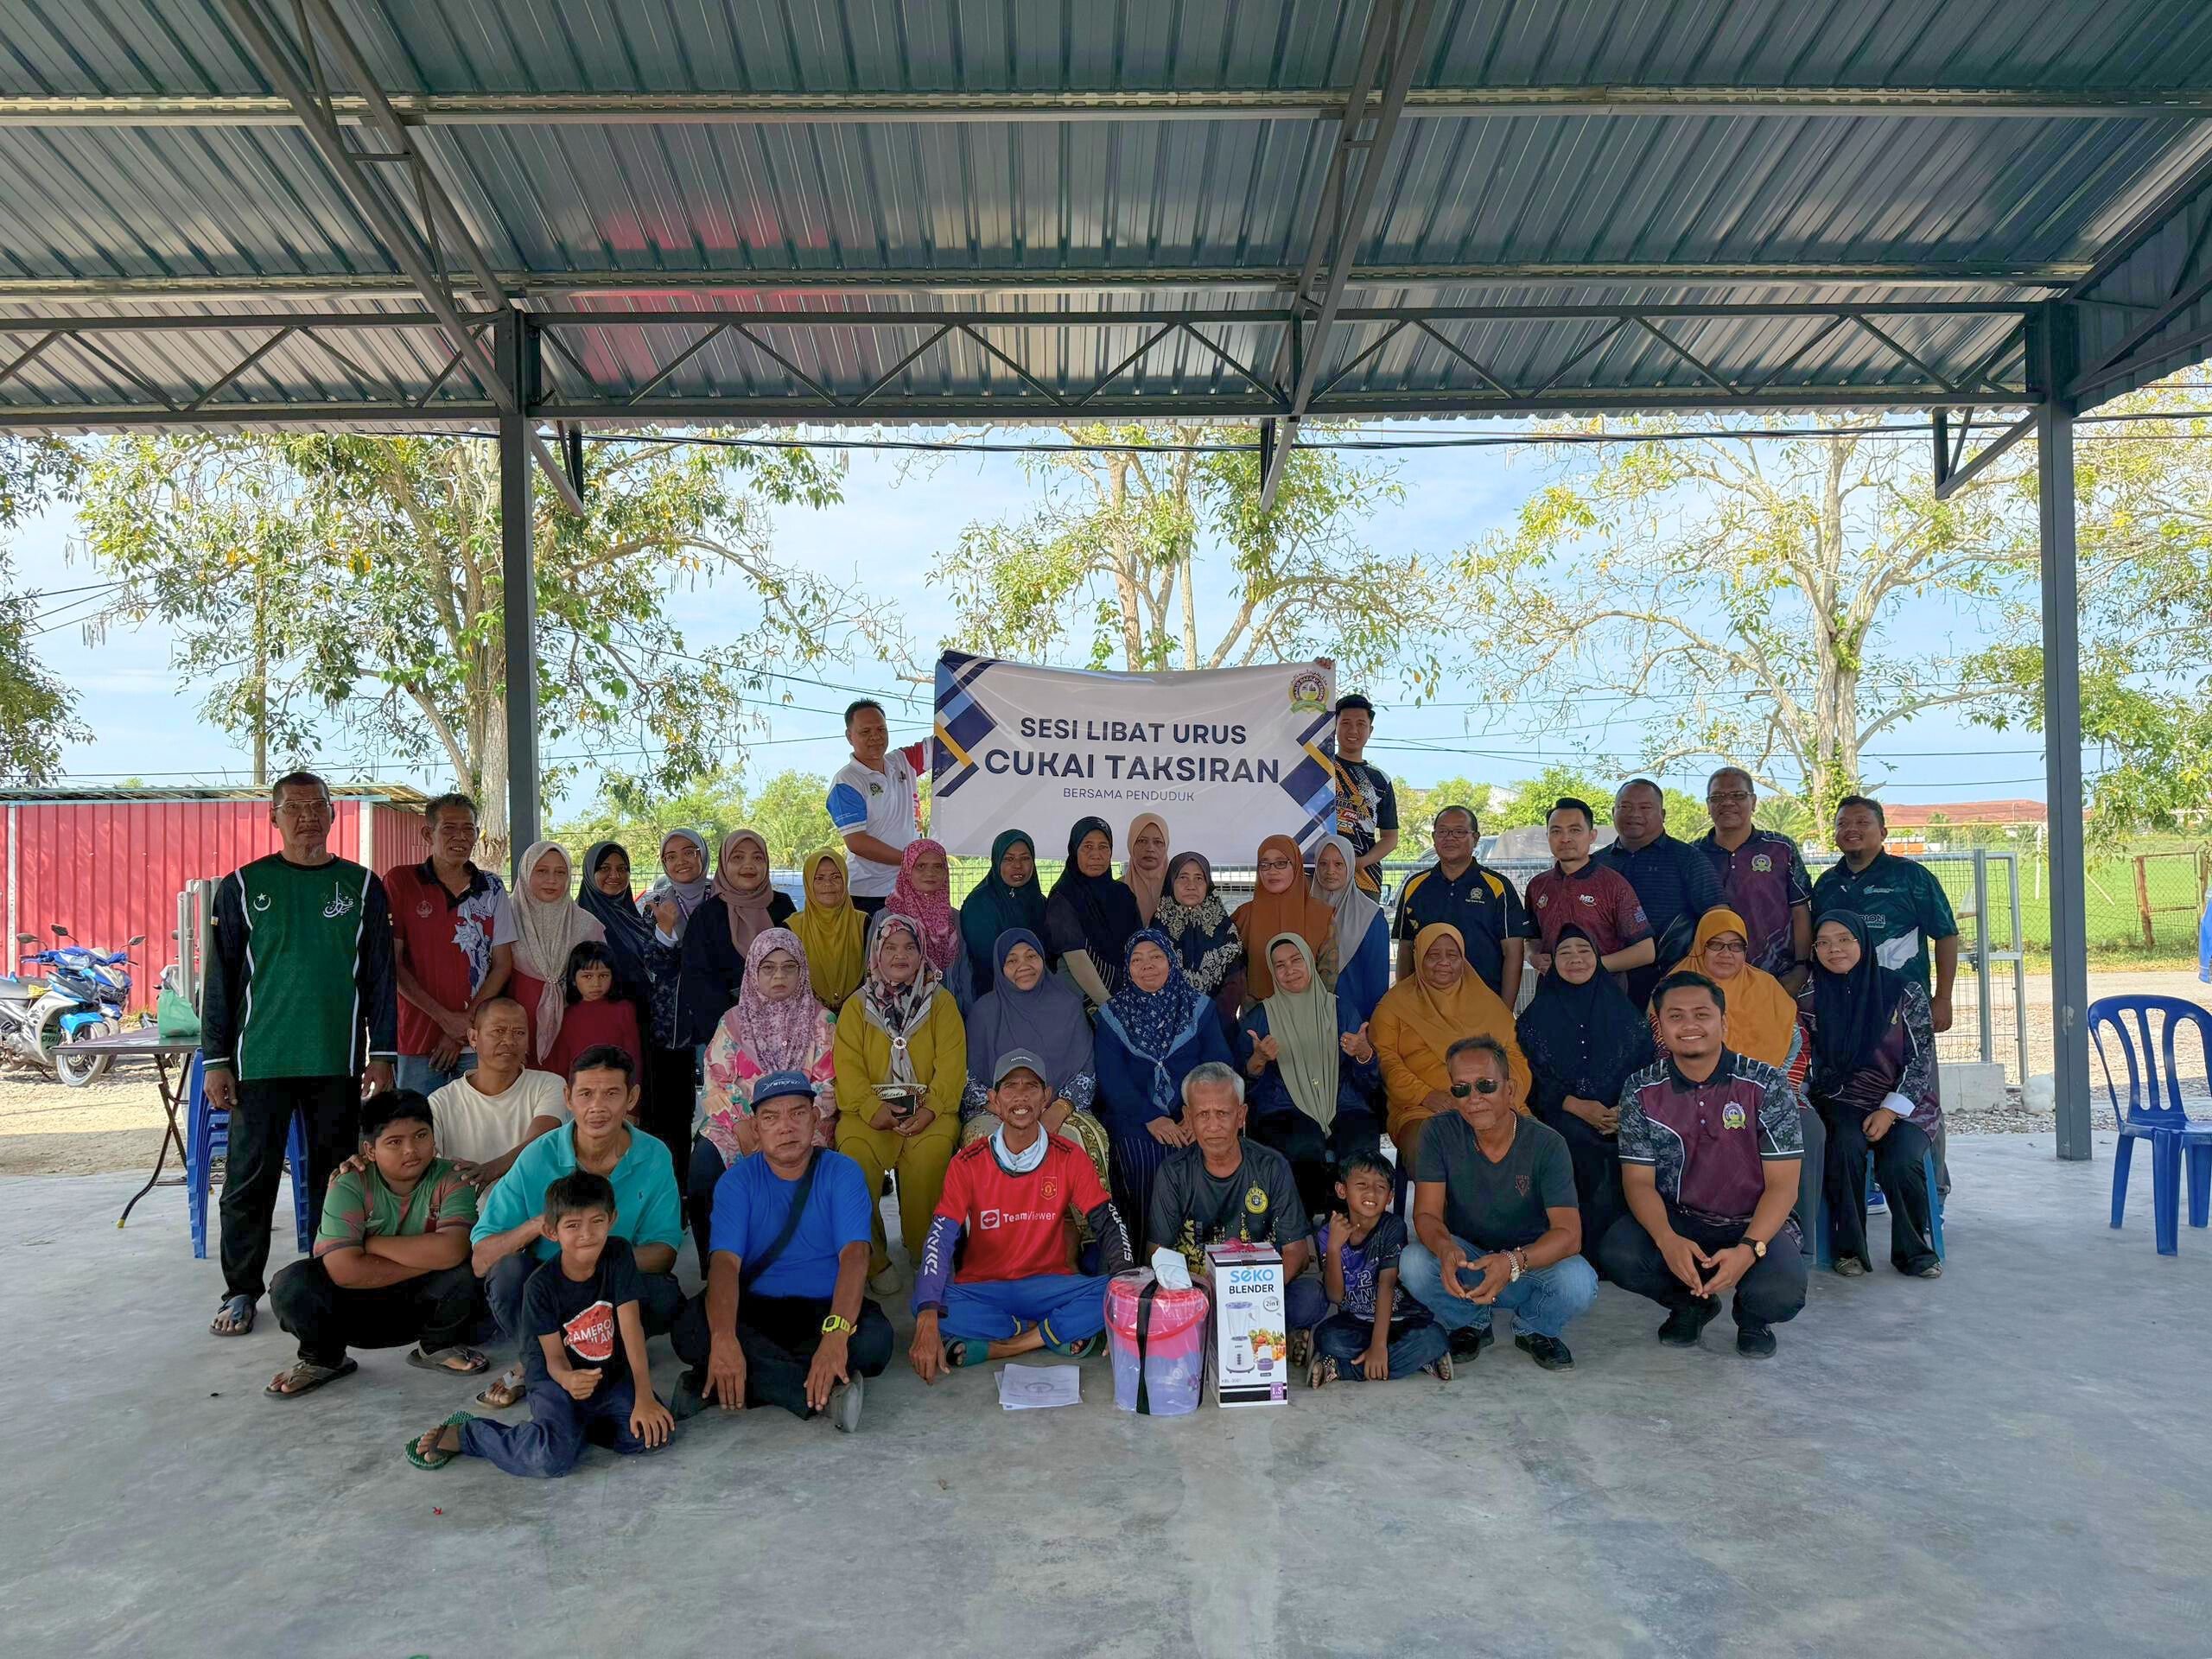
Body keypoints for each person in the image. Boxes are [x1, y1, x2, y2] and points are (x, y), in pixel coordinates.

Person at [203, 770, 397, 1338]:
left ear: (334, 814)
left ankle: (326, 1278)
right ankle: (241, 1289)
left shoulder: (362, 887)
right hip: (259, 1062)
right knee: (249, 1181)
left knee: (336, 1178)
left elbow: (381, 979)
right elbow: (220, 980)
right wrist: (216, 1059)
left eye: (318, 806)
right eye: (295, 807)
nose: (308, 817)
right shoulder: (243, 886)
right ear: (274, 816)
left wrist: (382, 1053)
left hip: (336, 1061)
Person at [1599, 973, 1808, 1358]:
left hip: (1750, 1221)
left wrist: (1748, 1249)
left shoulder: (1766, 1084)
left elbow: (1784, 1186)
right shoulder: (1641, 1089)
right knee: (1619, 1253)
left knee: (1780, 1292)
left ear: (1723, 1022)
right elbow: (1638, 1182)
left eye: (1702, 1014)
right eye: (1675, 1016)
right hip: (1682, 1218)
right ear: (1660, 1027)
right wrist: (1667, 1239)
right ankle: (1692, 1305)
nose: (1689, 1025)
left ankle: (1753, 1318)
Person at [410, 1173, 675, 1477]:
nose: (587, 1234)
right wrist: (568, 1380)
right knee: (549, 1459)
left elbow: (631, 1327)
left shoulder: (618, 1254)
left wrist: (644, 1395)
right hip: (554, 1379)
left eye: (597, 1221)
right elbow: (554, 1360)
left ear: (612, 1219)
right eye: (572, 1225)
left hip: (607, 1374)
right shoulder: (540, 1287)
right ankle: (468, 1434)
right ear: (551, 1231)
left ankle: (572, 1428)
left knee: (654, 1434)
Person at [468, 1045, 683, 1411]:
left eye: (611, 1093)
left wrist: (595, 1266)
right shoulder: (537, 1156)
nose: (597, 1107)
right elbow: (481, 1260)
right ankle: (537, 1361)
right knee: (507, 1274)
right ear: (568, 1098)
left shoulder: (653, 1154)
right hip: (550, 1289)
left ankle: (588, 1358)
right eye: (585, 1094)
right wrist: (539, 1225)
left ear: (632, 1098)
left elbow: (664, 1252)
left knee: (663, 1295)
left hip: (613, 1287)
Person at [673, 1076, 890, 1431]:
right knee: (690, 1329)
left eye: (797, 1114)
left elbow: (855, 1256)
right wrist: (724, 1338)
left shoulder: (843, 1172)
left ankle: (717, 1384)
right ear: (755, 1129)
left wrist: (836, 1334)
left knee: (875, 1342)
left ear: (815, 1118)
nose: (786, 1127)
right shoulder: (736, 1182)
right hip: (755, 1308)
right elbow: (724, 1265)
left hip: (824, 1308)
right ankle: (816, 1395)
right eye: (771, 1117)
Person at [910, 1050, 1134, 1378]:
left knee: (1117, 1291)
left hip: (1049, 1286)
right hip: (986, 1287)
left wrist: (1125, 1285)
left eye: (1031, 1086)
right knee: (922, 1302)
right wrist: (928, 1315)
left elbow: (1108, 1222)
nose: (1021, 1096)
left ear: (1046, 1097)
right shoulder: (967, 1162)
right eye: (1010, 1087)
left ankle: (1006, 1345)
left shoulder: (1069, 1156)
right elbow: (939, 1239)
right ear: (994, 1099)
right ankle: (1050, 1333)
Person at [1399, 1035, 1599, 1371]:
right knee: (1414, 1263)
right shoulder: (1437, 1133)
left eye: (1486, 1085)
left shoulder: (1547, 1144)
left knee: (1579, 1282)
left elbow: (1569, 1235)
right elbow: (1427, 1214)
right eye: (1461, 1089)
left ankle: (1534, 1327)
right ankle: (1470, 1321)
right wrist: (1445, 1248)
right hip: (1469, 1263)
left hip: (1528, 1266)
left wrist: (1513, 1262)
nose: (1474, 1098)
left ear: (1510, 1089)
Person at [267, 1090, 483, 1397]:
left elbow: (453, 1250)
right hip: (352, 1309)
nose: (411, 1150)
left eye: (421, 1136)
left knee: (470, 1267)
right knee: (291, 1284)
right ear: (370, 1150)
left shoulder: (452, 1177)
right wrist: (432, 1258)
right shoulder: (349, 1182)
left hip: (424, 1305)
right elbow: (343, 1270)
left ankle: (438, 1346)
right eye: (394, 1142)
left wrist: (372, 1243)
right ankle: (324, 1359)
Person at [1655, 907, 1825, 1255]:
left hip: (1770, 1093)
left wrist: (1773, 1094)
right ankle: (1715, 1238)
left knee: (1809, 1128)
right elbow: (1664, 1049)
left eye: (1736, 946)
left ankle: (1794, 1244)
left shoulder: (1767, 988)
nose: (1726, 954)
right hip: (1695, 1094)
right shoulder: (1677, 987)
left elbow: (1798, 1045)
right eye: (1716, 945)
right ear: (1700, 946)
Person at [1807, 913, 1945, 1278]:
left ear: (1863, 942)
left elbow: (1920, 1061)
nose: (1834, 949)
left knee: (1901, 1159)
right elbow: (1805, 1058)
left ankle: (1914, 1253)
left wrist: (1889, 1111)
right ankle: (1849, 1251)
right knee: (1843, 1146)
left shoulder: (1903, 991)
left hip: (1906, 1101)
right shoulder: (1810, 997)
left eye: (1844, 939)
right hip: (1843, 1099)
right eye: (1824, 942)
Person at [834, 912, 966, 1294]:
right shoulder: (857, 1005)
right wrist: (869, 1107)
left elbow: (952, 1064)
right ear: (876, 952)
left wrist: (931, 1108)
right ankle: (873, 1260)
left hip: (929, 1109)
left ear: (922, 952)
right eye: (890, 946)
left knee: (931, 1156)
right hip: (869, 1111)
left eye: (909, 947)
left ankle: (926, 1251)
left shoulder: (941, 1002)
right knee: (854, 1157)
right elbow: (847, 1065)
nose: (900, 955)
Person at [693, 927, 837, 1268]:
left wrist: (787, 1124)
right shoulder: (733, 1022)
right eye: (768, 968)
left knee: (811, 1174)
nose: (779, 977)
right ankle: (717, 1270)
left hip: (803, 1124)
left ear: (802, 971)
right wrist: (743, 1125)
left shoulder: (822, 1022)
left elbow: (828, 1088)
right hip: (739, 1123)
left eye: (789, 967)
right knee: (703, 1169)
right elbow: (715, 1083)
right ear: (753, 972)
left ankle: (799, 1265)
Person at [1147, 1062, 1319, 1331]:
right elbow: (1158, 1253)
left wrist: (1254, 1295)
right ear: (1188, 1117)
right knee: (1151, 1304)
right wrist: (1203, 1299)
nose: (1213, 1126)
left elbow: (1296, 1252)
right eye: (1203, 1114)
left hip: (1260, 1293)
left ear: (1241, 1116)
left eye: (1223, 1113)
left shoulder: (1271, 1167)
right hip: (1196, 1298)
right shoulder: (1174, 1173)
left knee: (1310, 1298)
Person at [1516, 925, 1653, 1255]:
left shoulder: (1625, 1013)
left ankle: (1624, 1249)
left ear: (1597, 958)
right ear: (1553, 962)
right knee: (1571, 1142)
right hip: (1563, 1114)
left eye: (1584, 951)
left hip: (1622, 1113)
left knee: (1636, 1143)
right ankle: (1573, 1245)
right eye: (1565, 952)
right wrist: (1575, 1105)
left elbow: (1646, 1071)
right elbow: (1531, 1080)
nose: (1575, 958)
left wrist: (1625, 1109)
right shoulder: (1535, 1019)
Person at [1094, 931, 1234, 1252]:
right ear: (1127, 968)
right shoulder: (1112, 1016)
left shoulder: (1199, 1008)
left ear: (1171, 962)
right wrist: (1152, 1118)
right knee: (1144, 1164)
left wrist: (1197, 1117)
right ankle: (1147, 1258)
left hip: (1195, 1115)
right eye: (1137, 960)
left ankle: (1203, 1257)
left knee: (1205, 1157)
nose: (1147, 966)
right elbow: (1112, 1079)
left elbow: (1218, 1066)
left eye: (1156, 957)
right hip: (1137, 1119)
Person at [1236, 932, 1382, 1220]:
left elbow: (1369, 1081)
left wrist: (1363, 1054)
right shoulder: (1260, 1018)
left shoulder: (1339, 1009)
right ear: (1272, 971)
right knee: (1303, 1144)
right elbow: (1243, 1086)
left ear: (1309, 962)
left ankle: (1351, 1226)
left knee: (1360, 1142)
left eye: (1296, 960)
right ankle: (1299, 1227)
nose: (1289, 970)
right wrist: (1258, 1062)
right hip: (1283, 1107)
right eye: (1280, 965)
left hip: (1343, 1103)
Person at [959, 927, 1110, 1195]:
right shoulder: (984, 1012)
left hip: (1059, 1109)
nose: (1024, 966)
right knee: (985, 1145)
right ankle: (1004, 1222)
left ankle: (1088, 1222)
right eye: (1012, 960)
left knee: (1084, 1140)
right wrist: (1007, 1111)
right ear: (1000, 967)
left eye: (1031, 956)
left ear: (1042, 958)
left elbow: (1085, 1071)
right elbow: (967, 1079)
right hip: (997, 1112)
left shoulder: (1068, 1005)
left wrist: (1059, 1109)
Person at [385, 791, 516, 1094]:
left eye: (468, 829)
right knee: (419, 1118)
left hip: (478, 1039)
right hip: (418, 1039)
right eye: (449, 828)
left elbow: (502, 965)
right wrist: (445, 1020)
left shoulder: (492, 887)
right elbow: (393, 964)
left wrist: (463, 1027)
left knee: (479, 1121)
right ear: (427, 833)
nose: (460, 837)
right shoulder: (401, 882)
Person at [1370, 922, 1530, 1163]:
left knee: (1535, 1148)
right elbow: (1385, 1060)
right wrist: (1425, 1095)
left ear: (1462, 959)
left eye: (1452, 955)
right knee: (1427, 1151)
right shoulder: (1393, 1006)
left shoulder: (1489, 1003)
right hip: (1425, 1108)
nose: (1444, 962)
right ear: (1419, 958)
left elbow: (1516, 1057)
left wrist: (1503, 1100)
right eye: (1433, 955)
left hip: (1496, 1105)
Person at [1810, 795, 1961, 1033]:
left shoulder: (1911, 876)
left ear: (1883, 832)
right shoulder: (1826, 884)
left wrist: (1943, 998)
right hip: (1839, 1008)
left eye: (1862, 822)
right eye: (1842, 824)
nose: (1851, 829)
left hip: (1902, 1006)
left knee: (1906, 1059)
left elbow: (1946, 935)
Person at [1306, 1150, 1448, 1386]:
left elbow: (1387, 1284)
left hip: (1401, 1320)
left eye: (1380, 1187)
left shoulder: (1393, 1227)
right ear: (1342, 1190)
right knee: (1327, 1337)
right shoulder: (1329, 1231)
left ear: (1390, 1196)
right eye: (1361, 1184)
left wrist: (1379, 1346)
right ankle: (1413, 1361)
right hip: (1358, 1321)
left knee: (1435, 1337)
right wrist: (1333, 1248)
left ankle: (1342, 1369)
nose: (1371, 1192)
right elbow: (1335, 1296)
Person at [1599, 779, 1726, 1007]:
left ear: (1663, 814)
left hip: (1672, 984)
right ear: (1613, 812)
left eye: (1645, 807)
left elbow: (1719, 919)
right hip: (1604, 983)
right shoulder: (1596, 864)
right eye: (1625, 806)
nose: (1634, 814)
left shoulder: (1688, 859)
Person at [425, 996, 569, 1188]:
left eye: (519, 1032)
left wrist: (489, 1171)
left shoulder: (549, 1084)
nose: (509, 1040)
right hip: (467, 1207)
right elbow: (425, 1160)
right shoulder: (440, 1101)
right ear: (473, 1038)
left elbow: (540, 1143)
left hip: (532, 1205)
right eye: (498, 1031)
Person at [674, 828, 798, 1052]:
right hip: (726, 1034)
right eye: (738, 857)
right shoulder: (706, 915)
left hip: (784, 1029)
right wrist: (736, 1030)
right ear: (724, 864)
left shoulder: (782, 906)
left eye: (757, 858)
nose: (748, 865)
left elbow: (798, 967)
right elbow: (698, 981)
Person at [1393, 805, 1528, 1006]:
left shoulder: (1498, 887)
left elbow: (1514, 953)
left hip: (1482, 1004)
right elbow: (1405, 948)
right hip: (1426, 1005)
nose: (1450, 838)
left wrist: (1504, 1011)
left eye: (1459, 832)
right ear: (1434, 837)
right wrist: (1405, 1004)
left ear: (1475, 838)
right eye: (1443, 832)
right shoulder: (1415, 886)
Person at [1696, 768, 1814, 990]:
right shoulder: (1693, 854)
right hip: (1711, 979)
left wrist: (1801, 966)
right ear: (1708, 805)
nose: (1727, 802)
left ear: (1754, 801)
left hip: (1777, 976)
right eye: (1717, 797)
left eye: (1738, 795)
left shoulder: (1781, 848)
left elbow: (1800, 910)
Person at [1522, 797, 1653, 985]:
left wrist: (1590, 965)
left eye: (1575, 830)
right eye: (1556, 831)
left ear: (1592, 836)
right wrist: (1532, 957)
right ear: (1547, 836)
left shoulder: (1613, 884)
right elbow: (1531, 940)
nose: (1565, 838)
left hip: (1604, 992)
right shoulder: (1537, 885)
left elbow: (1646, 951)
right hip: (1552, 992)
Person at [505, 841, 605, 1067]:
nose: (552, 880)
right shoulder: (504, 918)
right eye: (542, 871)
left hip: (573, 1030)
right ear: (526, 872)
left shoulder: (587, 925)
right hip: (515, 1030)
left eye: (560, 872)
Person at [825, 698, 925, 918]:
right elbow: (857, 842)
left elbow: (947, 743)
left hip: (911, 887)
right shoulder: (846, 781)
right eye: (865, 731)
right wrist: (911, 860)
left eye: (881, 729)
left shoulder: (903, 761)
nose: (875, 737)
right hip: (869, 894)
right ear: (849, 736)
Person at [1044, 817, 1144, 1007]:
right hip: (1083, 1003)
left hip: (1129, 996)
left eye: (1103, 847)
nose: (1096, 855)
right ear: (1074, 851)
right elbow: (1076, 960)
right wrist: (1110, 1009)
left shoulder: (1123, 894)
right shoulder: (1063, 897)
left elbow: (1138, 947)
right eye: (1087, 847)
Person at [1233, 833, 1337, 1002]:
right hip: (1257, 1012)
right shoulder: (1243, 915)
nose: (1272, 871)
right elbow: (1234, 974)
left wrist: (1316, 1009)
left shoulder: (1322, 914)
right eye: (1264, 864)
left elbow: (1329, 974)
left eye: (1281, 863)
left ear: (1295, 865)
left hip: (1309, 1010)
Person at [1154, 850, 1246, 1036]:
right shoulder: (1156, 931)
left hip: (1218, 1030)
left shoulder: (1224, 930)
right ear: (1171, 883)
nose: (1191, 885)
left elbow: (1235, 984)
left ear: (1207, 884)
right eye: (1183, 878)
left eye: (1199, 878)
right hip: (1169, 1032)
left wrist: (1209, 1025)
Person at [957, 829, 1047, 1001]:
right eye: (1009, 859)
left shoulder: (1038, 900)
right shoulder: (979, 903)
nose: (1018, 865)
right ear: (997, 861)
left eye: (1025, 858)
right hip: (994, 995)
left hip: (1040, 991)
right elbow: (987, 960)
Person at [1311, 832, 1389, 1025]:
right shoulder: (1304, 911)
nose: (1330, 871)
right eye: (1323, 864)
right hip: (1310, 1020)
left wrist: (1370, 1028)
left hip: (1355, 1022)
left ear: (1350, 866)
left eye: (1339, 864)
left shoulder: (1370, 916)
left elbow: (1377, 981)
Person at [1328, 693, 1400, 897]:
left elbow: (1390, 837)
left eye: (1361, 724)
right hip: (1318, 875)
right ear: (1334, 726)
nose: (1353, 730)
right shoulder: (1319, 770)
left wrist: (1361, 862)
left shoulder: (1380, 781)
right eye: (1346, 723)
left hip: (1364, 880)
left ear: (1370, 730)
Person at [542, 941, 642, 1082]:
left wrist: (632, 1089)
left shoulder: (624, 1010)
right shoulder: (565, 1015)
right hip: (580, 1087)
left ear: (613, 976)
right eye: (587, 976)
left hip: (614, 1084)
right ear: (573, 979)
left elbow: (634, 1057)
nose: (596, 984)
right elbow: (561, 1063)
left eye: (603, 976)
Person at [790, 844, 868, 1014]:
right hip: (807, 1016)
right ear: (808, 883)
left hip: (858, 1013)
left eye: (836, 877)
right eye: (819, 878)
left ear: (845, 879)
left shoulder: (864, 923)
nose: (828, 884)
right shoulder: (791, 928)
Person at [575, 840, 655, 1005]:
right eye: (605, 868)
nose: (615, 875)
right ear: (590, 872)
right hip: (602, 1012)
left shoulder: (634, 918)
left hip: (643, 1010)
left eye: (622, 869)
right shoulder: (579, 921)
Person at [889, 837, 968, 1001]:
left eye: (938, 866)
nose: (930, 873)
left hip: (950, 1005)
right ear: (907, 869)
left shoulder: (955, 918)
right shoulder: (889, 917)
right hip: (900, 1007)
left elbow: (964, 971)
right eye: (921, 866)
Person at [1120, 811, 1172, 925]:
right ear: (1131, 844)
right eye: (1142, 841)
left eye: (1158, 842)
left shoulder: (1180, 888)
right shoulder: (1116, 889)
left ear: (1166, 846)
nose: (1150, 848)